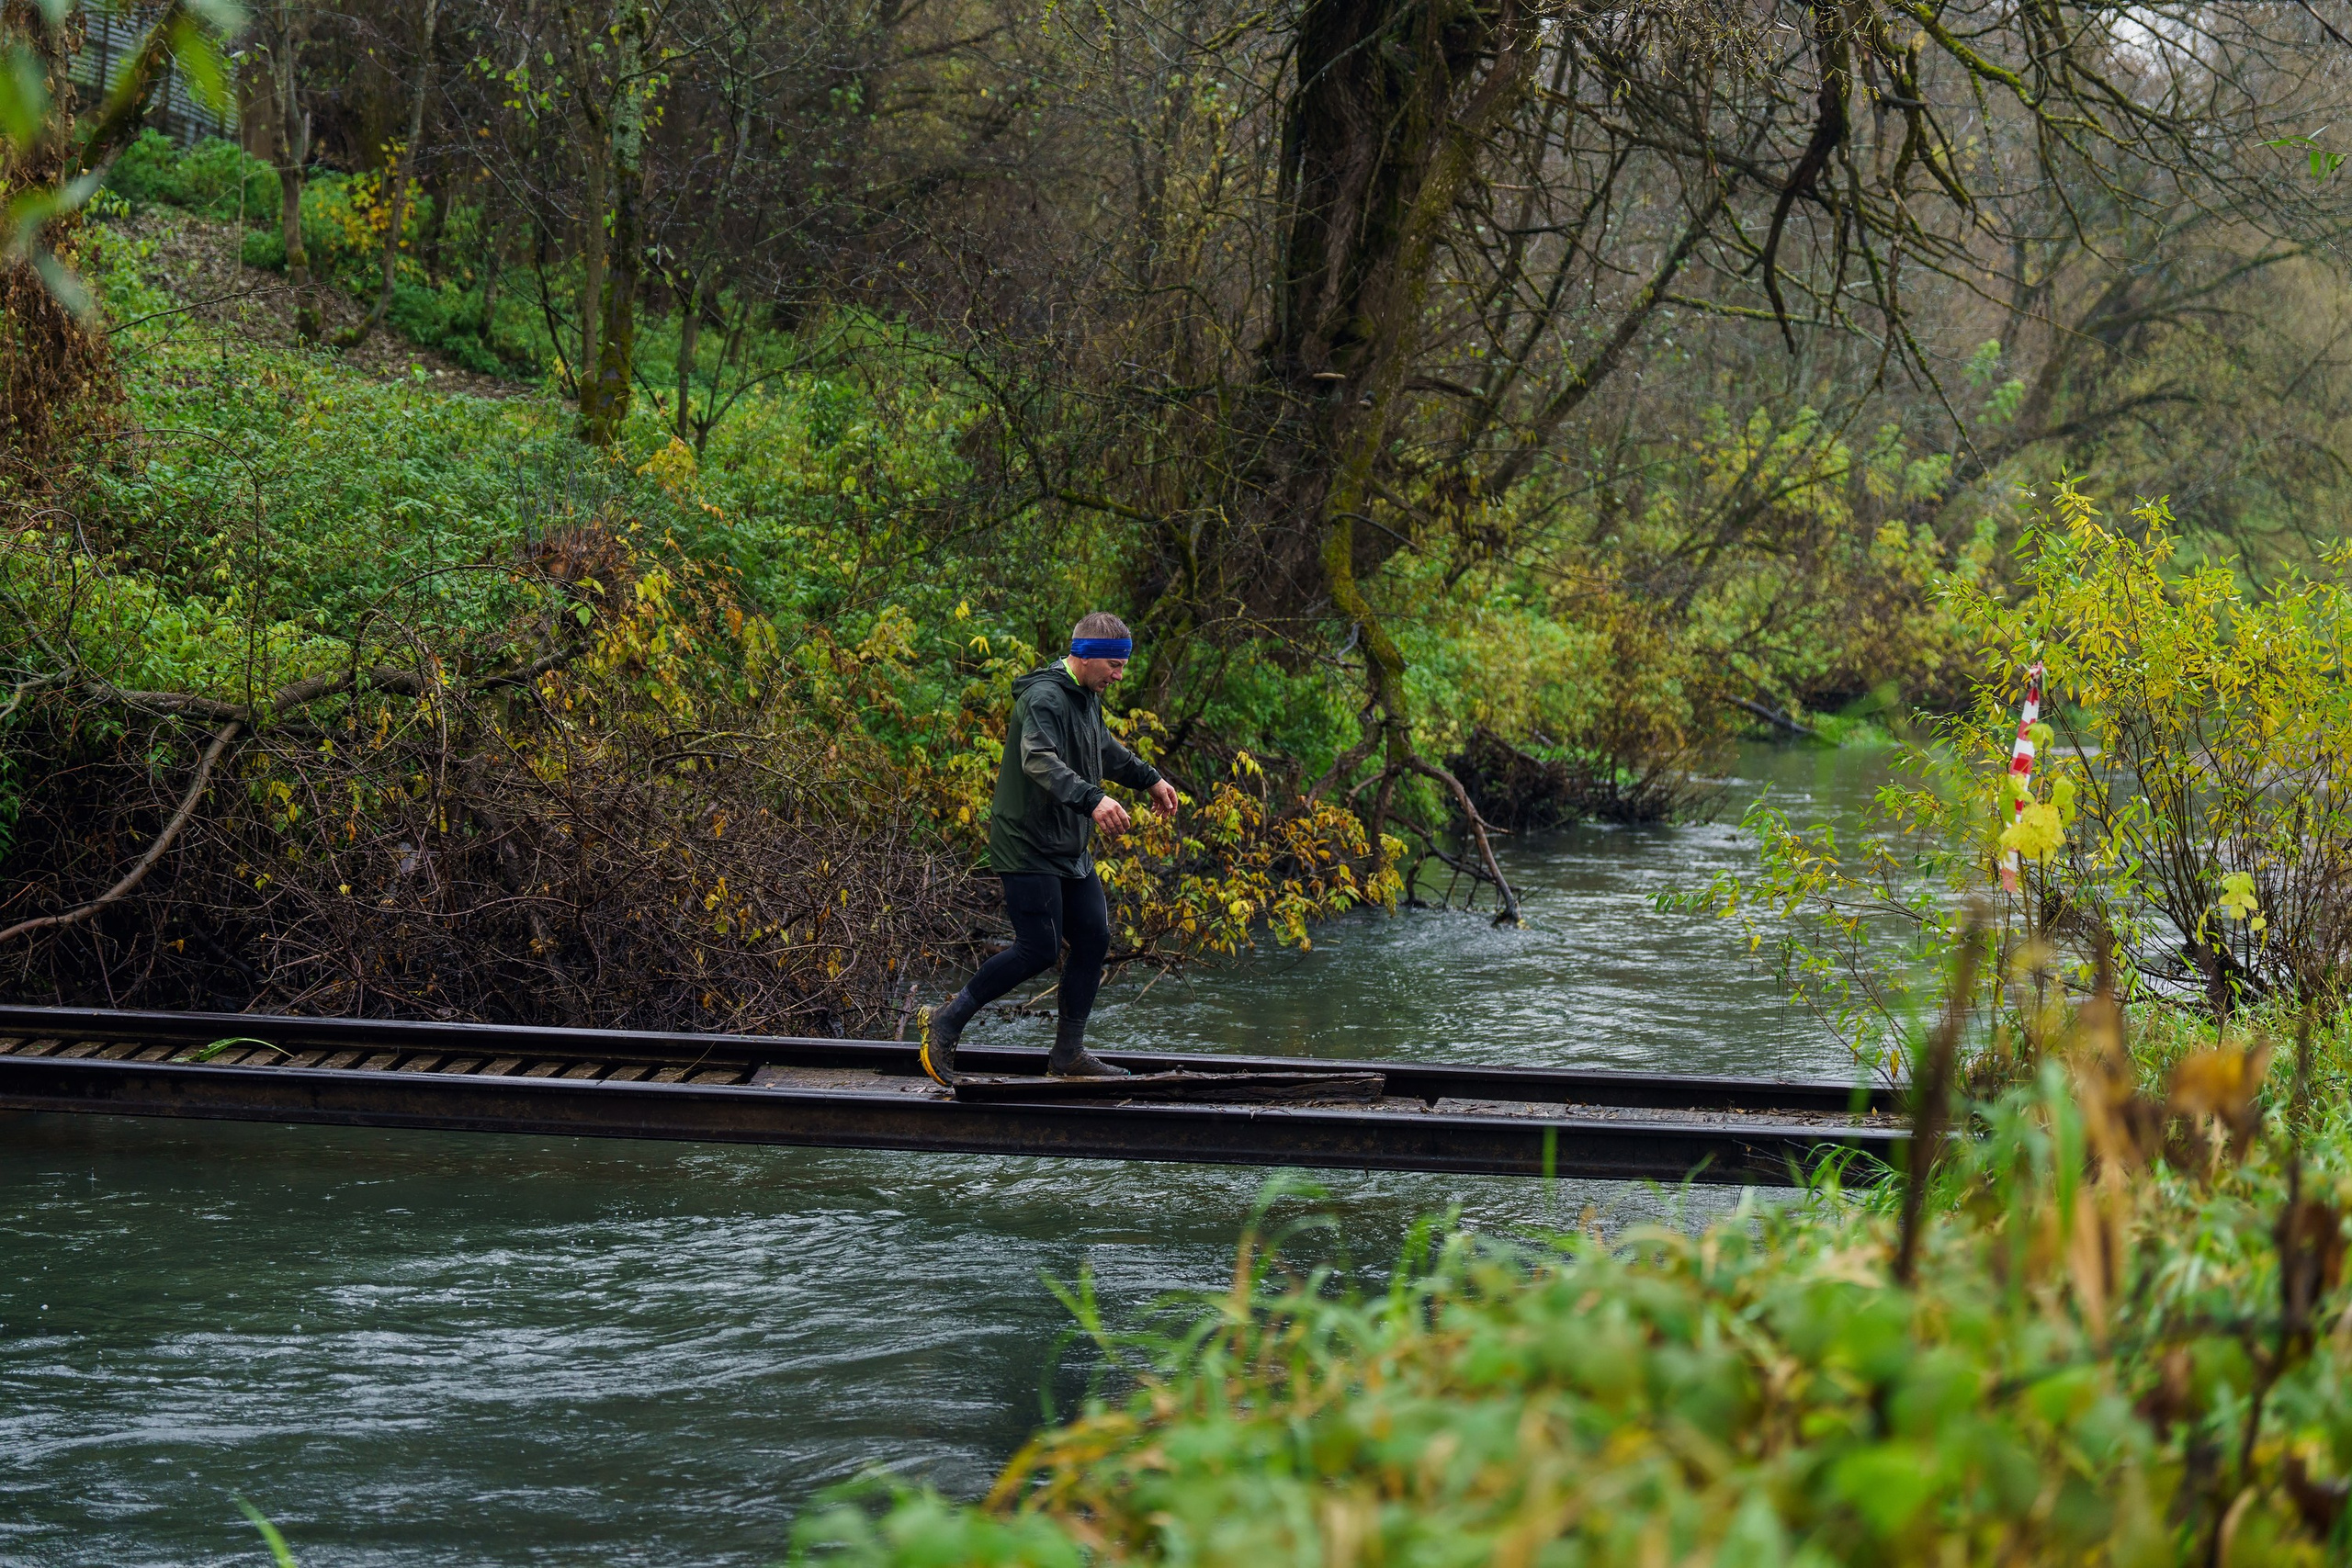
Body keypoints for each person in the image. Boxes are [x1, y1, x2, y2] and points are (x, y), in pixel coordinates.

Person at [918, 612, 1181, 1083]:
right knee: (1037, 949)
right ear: (1083, 655)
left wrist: (1151, 779)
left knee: (1095, 937)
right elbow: (1039, 760)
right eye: (1114, 666)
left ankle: (1067, 1056)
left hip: (1068, 844)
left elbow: (1104, 749)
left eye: (1123, 667)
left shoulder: (1085, 697)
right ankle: (946, 1020)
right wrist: (1094, 798)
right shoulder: (1044, 697)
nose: (1119, 676)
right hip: (1028, 841)